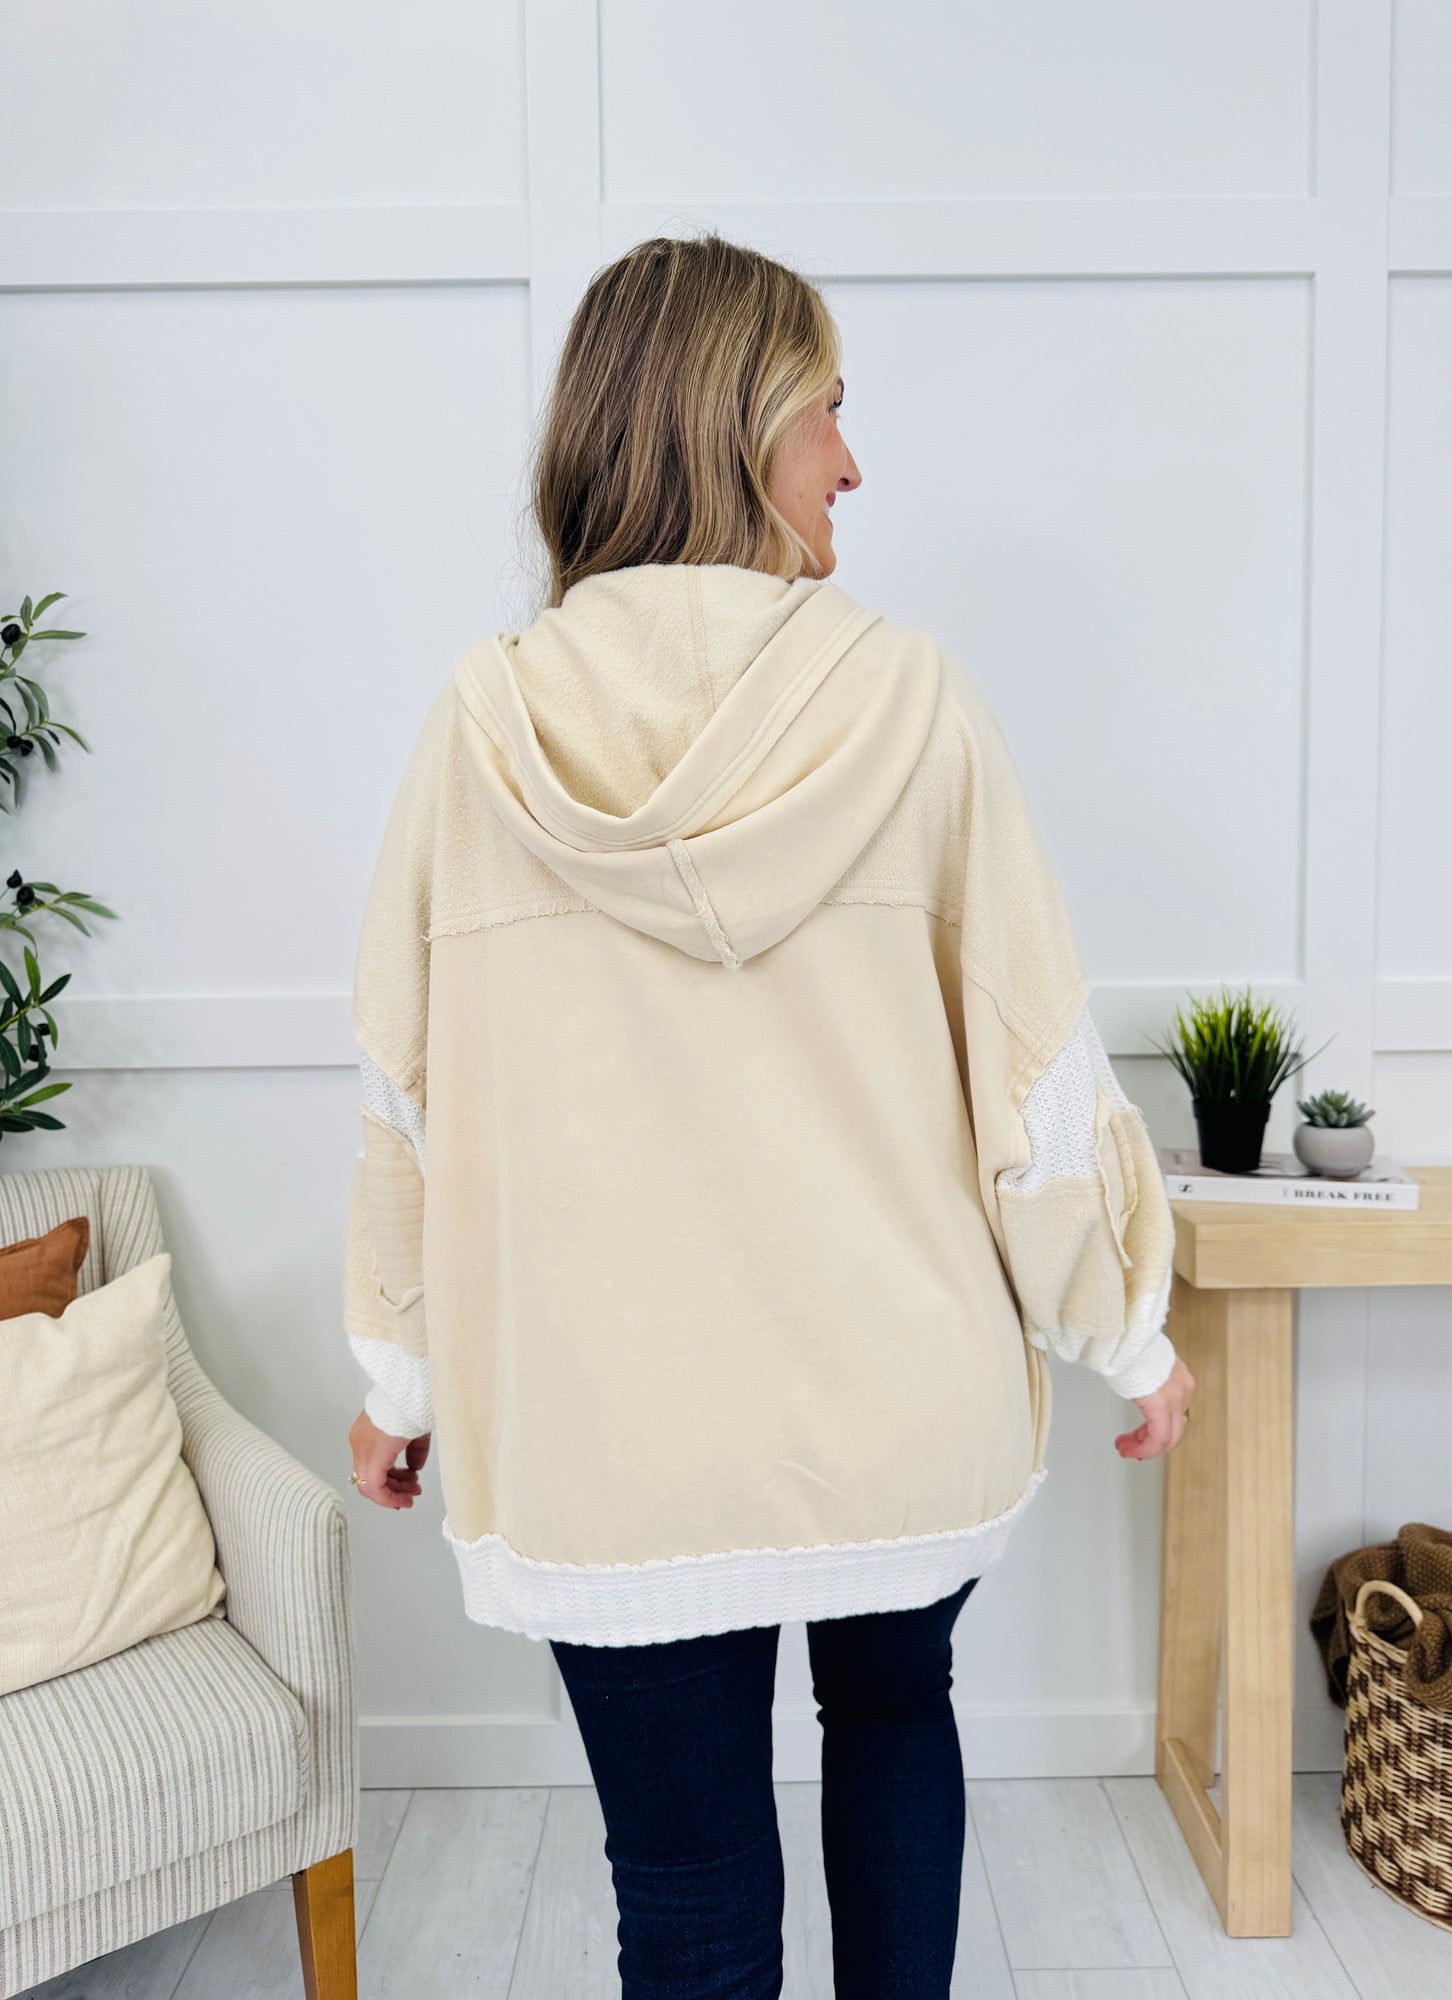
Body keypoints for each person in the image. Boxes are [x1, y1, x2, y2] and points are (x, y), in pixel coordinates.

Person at [341, 231, 1194, 1999]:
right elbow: (1035, 1084)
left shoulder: (478, 733)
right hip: (896, 1395)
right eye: (826, 411)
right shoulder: (914, 704)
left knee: (687, 1879)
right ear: (733, 427)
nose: (853, 463)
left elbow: (408, 1110)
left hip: (607, 1432)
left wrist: (402, 1380)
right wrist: (1129, 1332)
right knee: (894, 1717)